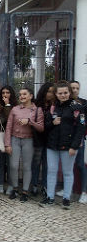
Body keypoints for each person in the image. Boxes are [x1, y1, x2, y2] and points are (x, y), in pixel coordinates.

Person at [40, 81, 84, 209]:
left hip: (68, 146)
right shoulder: (53, 107)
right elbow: (46, 126)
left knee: (67, 172)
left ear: (69, 93)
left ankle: (66, 198)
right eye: (60, 93)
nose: (63, 95)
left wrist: (74, 146)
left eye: (65, 92)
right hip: (52, 145)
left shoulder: (77, 107)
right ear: (56, 94)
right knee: (51, 171)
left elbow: (81, 128)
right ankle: (50, 197)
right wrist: (53, 123)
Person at [4, 87, 44, 202]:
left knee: (27, 167)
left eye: (24, 94)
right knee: (13, 166)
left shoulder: (37, 110)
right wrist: (7, 144)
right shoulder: (15, 109)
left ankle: (25, 191)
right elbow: (9, 127)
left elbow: (41, 128)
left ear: (31, 96)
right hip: (15, 139)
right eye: (20, 94)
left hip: (29, 140)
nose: (22, 96)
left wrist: (30, 122)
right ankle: (15, 188)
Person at [55, 80, 87, 203]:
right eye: (72, 88)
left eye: (76, 88)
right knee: (67, 167)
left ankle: (84, 191)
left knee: (80, 164)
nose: (74, 90)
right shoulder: (62, 104)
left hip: (78, 141)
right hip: (65, 141)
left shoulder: (83, 104)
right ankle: (66, 189)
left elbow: (83, 123)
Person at [31, 83, 54, 196]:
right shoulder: (36, 105)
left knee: (47, 164)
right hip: (38, 138)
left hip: (50, 139)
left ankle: (45, 186)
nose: (50, 94)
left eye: (52, 91)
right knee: (35, 163)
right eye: (48, 91)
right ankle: (34, 185)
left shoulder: (54, 106)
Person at [0, 85, 17, 194]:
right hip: (0, 135)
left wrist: (7, 105)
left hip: (12, 136)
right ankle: (0, 183)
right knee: (0, 161)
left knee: (10, 162)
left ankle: (10, 185)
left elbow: (9, 120)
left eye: (7, 92)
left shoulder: (15, 106)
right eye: (3, 92)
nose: (5, 95)